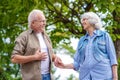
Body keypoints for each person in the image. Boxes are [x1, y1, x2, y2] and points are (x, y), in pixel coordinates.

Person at [55, 12, 118, 80]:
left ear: (92, 21)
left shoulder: (104, 35)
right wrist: (64, 66)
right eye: (82, 20)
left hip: (103, 76)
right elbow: (77, 63)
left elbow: (113, 59)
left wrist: (115, 77)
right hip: (85, 76)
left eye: (85, 19)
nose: (82, 22)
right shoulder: (82, 40)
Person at [11, 9, 61, 80]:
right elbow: (14, 58)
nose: (44, 23)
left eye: (45, 21)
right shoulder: (24, 36)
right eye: (42, 21)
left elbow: (49, 55)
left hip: (48, 77)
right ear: (33, 23)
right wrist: (34, 57)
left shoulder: (46, 36)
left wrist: (55, 58)